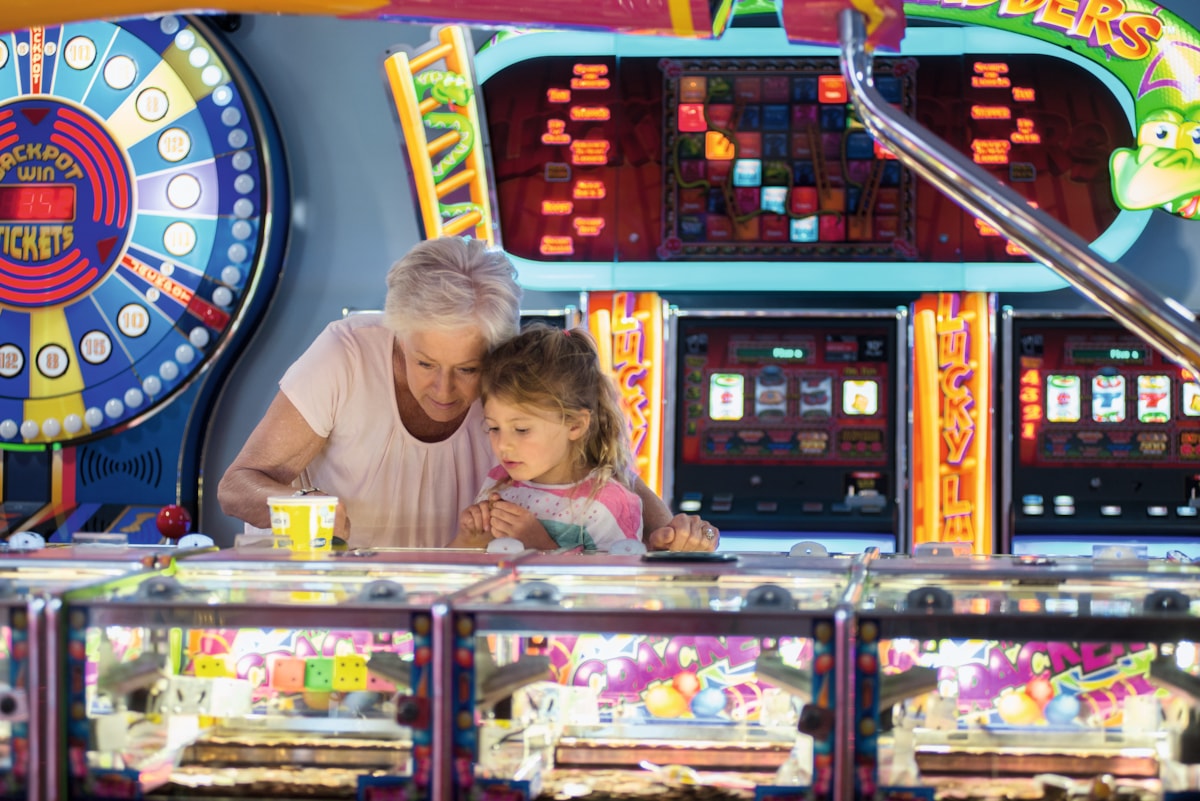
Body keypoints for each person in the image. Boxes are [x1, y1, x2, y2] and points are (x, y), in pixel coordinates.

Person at [217, 236, 720, 551]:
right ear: (398, 335)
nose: (443, 389)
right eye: (425, 363)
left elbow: (613, 479)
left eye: (467, 369)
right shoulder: (346, 352)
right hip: (336, 589)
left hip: (456, 592)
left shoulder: (517, 376)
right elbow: (237, 485)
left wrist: (674, 536)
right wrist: (310, 510)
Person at [449, 325, 641, 551]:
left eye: (521, 430)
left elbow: (618, 583)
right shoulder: (498, 482)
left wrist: (541, 547)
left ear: (575, 425)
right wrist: (467, 542)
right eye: (493, 428)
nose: (503, 445)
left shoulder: (608, 504)